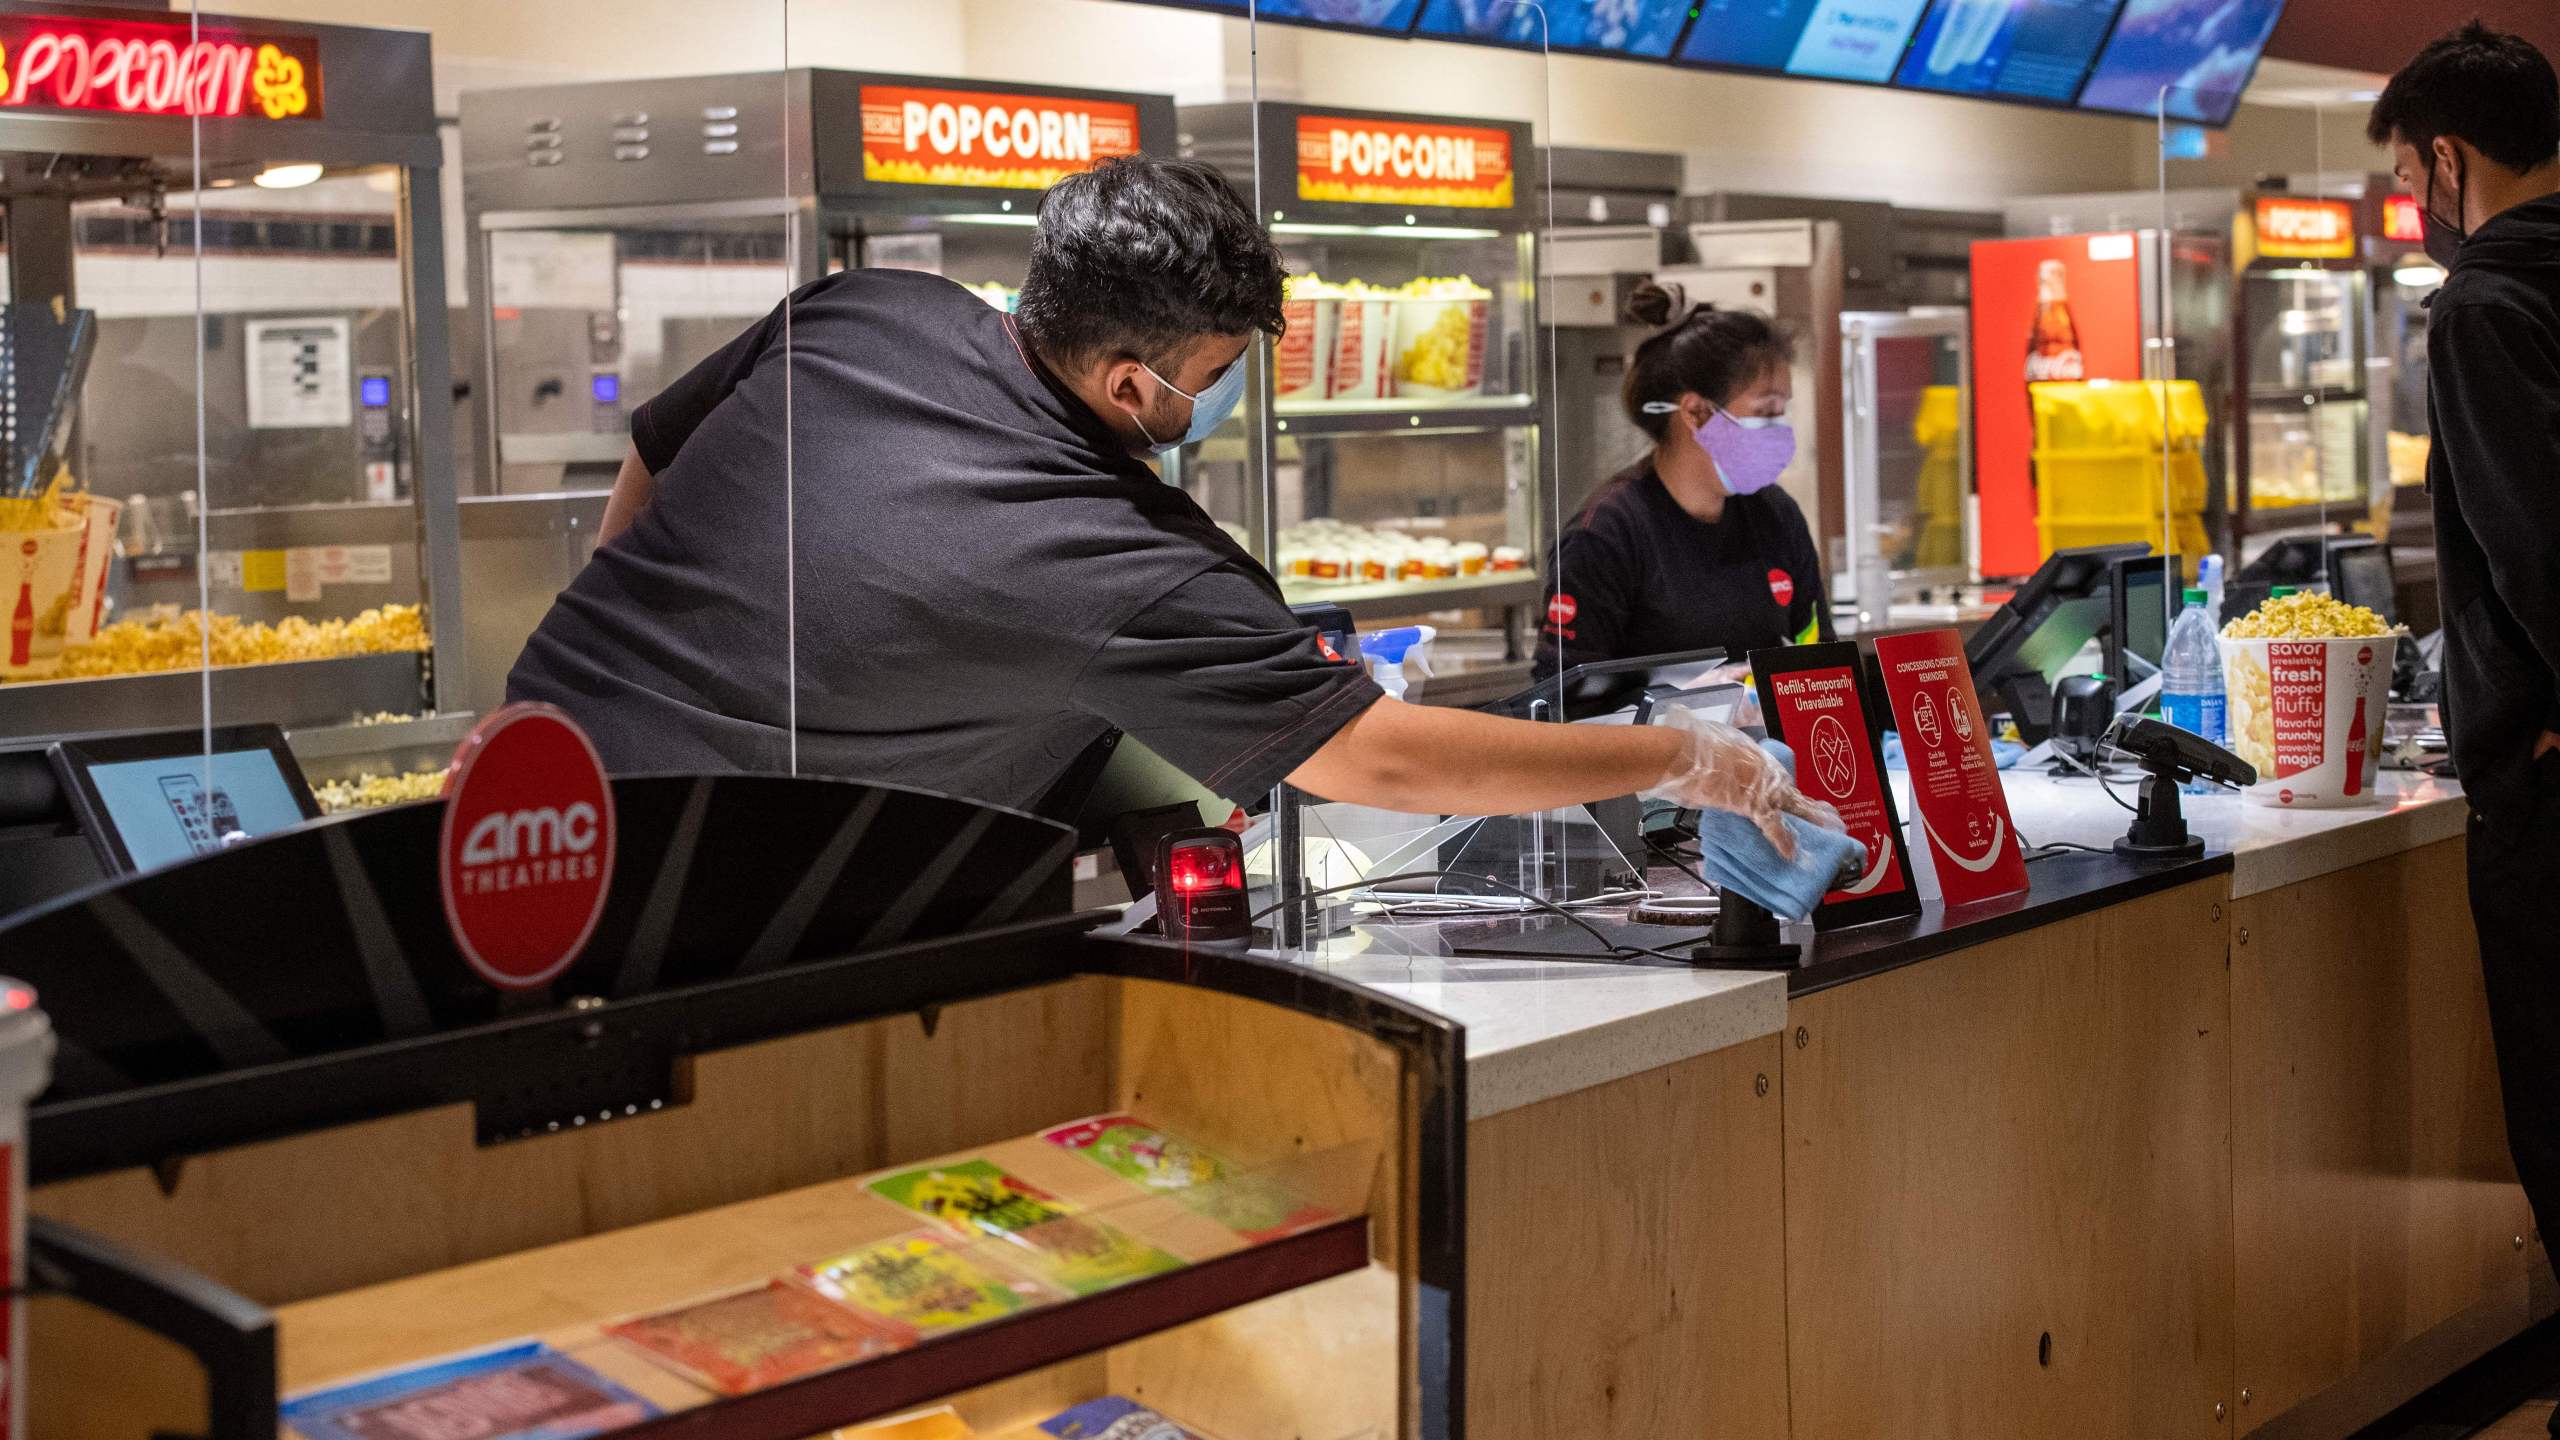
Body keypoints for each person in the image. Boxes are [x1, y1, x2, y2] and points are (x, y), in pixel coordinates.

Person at [507, 155, 1837, 860]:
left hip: (522, 768)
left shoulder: (872, 308)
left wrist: (624, 650)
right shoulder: (1113, 557)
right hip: (698, 879)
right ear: (1135, 381)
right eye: (1213, 381)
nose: (1217, 405)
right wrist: (1683, 759)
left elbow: (656, 453)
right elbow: (1378, 760)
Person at [2370, 21, 2560, 1382]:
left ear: (2448, 157)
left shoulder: (2486, 304)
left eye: (2411, 176)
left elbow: (2537, 543)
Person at [1535, 283, 1828, 682]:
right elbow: (1561, 708)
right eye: (1765, 410)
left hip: (1765, 747)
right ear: (1696, 412)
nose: (1780, 427)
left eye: (1782, 411)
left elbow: (1823, 661)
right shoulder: (1606, 535)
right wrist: (1684, 712)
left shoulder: (1776, 515)